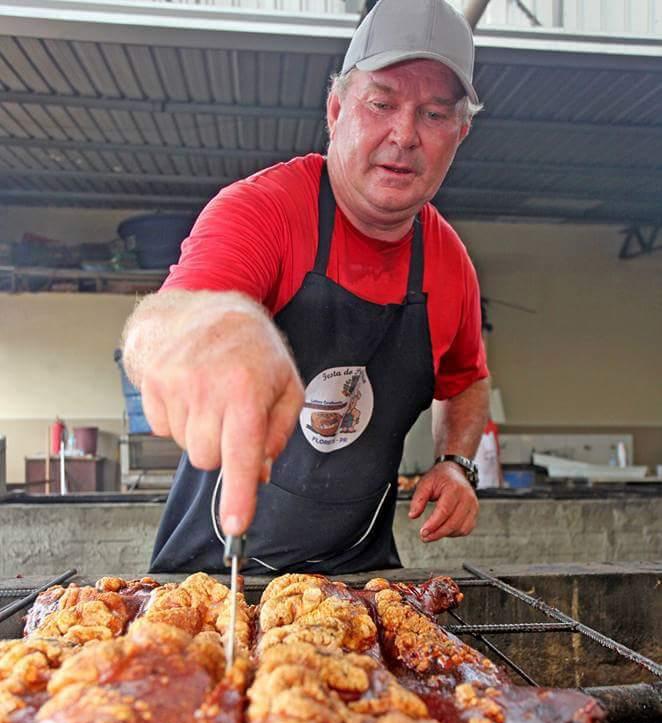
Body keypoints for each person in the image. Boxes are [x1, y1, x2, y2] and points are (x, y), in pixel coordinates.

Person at [122, 0, 490, 575]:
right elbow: (162, 323)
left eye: (435, 114)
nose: (404, 134)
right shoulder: (263, 211)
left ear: (460, 134)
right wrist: (208, 334)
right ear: (336, 109)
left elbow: (467, 381)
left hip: (360, 583)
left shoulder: (449, 264)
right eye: (381, 103)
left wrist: (455, 463)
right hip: (214, 578)